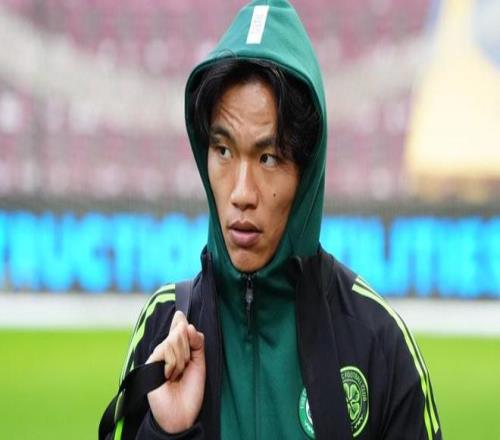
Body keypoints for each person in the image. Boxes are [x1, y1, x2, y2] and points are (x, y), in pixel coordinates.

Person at [106, 1, 442, 439]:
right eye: (223, 151)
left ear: (307, 171)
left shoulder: (377, 341)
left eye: (268, 157)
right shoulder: (163, 328)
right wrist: (167, 431)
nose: (242, 193)